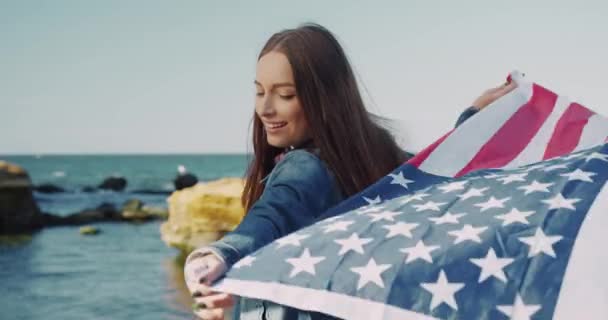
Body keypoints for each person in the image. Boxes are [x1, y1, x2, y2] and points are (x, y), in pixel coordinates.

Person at [184, 23, 517, 320]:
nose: (265, 108)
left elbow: (273, 213)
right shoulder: (376, 159)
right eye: (259, 91)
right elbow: (435, 177)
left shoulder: (303, 166)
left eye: (285, 94)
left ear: (324, 98)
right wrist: (472, 120)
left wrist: (219, 252)